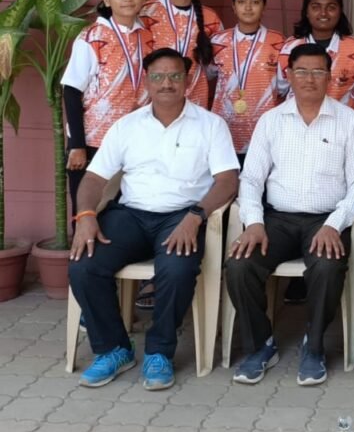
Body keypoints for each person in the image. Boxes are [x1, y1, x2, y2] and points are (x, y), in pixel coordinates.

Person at [67, 49, 239, 390]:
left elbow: (227, 180)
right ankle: (114, 349)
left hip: (182, 216)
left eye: (175, 76)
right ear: (147, 81)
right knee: (84, 264)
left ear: (187, 81)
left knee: (176, 269)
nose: (166, 84)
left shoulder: (210, 125)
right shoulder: (127, 126)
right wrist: (85, 215)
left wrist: (196, 216)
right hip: (131, 215)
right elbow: (94, 179)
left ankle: (159, 352)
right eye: (158, 77)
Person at [225, 44, 354, 386]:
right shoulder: (271, 121)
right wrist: (254, 223)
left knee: (327, 266)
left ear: (329, 77)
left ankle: (314, 345)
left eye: (318, 71)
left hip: (326, 219)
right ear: (288, 75)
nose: (309, 78)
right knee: (240, 265)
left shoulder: (350, 121)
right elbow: (251, 178)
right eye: (301, 71)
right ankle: (261, 345)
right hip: (277, 220)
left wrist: (335, 224)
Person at [63, 0, 154, 217]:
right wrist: (77, 145)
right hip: (95, 142)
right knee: (88, 213)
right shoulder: (91, 37)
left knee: (125, 213)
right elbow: (71, 90)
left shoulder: (147, 36)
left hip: (137, 140)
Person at [210, 0, 285, 164]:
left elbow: (283, 86)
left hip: (263, 129)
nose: (248, 7)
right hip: (224, 128)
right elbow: (209, 74)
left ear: (264, 7)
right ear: (234, 7)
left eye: (255, 2)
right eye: (242, 1)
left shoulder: (279, 42)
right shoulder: (218, 41)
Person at [140, 0, 223, 107]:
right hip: (155, 101)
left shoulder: (211, 18)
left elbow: (214, 67)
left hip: (196, 102)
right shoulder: (146, 13)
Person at [277, 0, 354, 109]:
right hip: (299, 118)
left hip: (343, 119)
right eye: (316, 7)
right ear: (306, 12)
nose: (323, 13)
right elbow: (280, 90)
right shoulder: (289, 47)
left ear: (340, 12)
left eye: (331, 7)